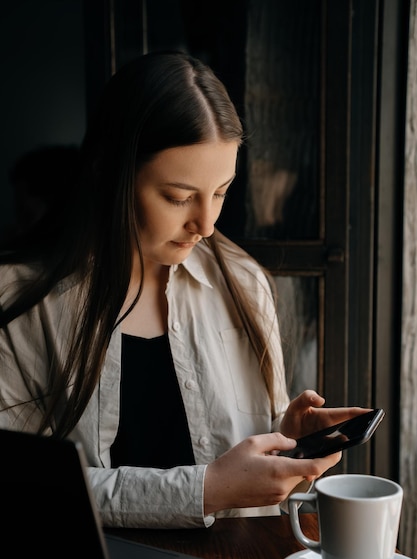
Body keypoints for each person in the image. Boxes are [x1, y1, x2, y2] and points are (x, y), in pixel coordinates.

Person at [0, 51, 366, 529]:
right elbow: (20, 486)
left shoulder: (243, 283)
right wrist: (206, 489)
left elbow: (259, 493)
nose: (207, 224)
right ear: (110, 173)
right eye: (178, 197)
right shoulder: (22, 301)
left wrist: (288, 446)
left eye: (221, 191)